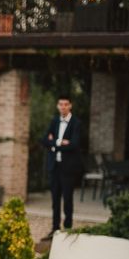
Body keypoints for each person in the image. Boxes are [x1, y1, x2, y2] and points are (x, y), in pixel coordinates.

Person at [41, 95, 82, 237]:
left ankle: (68, 228)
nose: (63, 107)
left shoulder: (76, 123)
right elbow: (44, 140)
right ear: (58, 106)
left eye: (66, 104)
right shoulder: (54, 121)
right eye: (60, 104)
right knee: (55, 199)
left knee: (68, 199)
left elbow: (74, 145)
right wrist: (60, 143)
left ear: (70, 106)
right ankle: (55, 228)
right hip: (54, 167)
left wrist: (54, 144)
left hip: (68, 168)